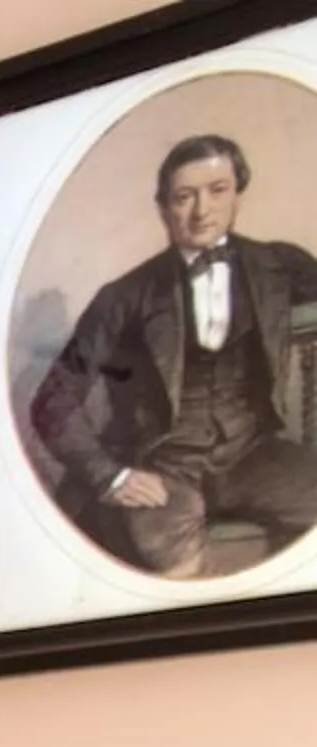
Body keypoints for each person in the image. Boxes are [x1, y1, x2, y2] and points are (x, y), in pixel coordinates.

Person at [29, 133, 317, 578]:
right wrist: (110, 476)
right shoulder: (123, 296)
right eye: (185, 197)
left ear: (238, 194)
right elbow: (53, 399)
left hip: (252, 455)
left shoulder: (278, 266)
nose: (203, 211)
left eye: (217, 191)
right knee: (166, 549)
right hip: (162, 466)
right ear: (163, 207)